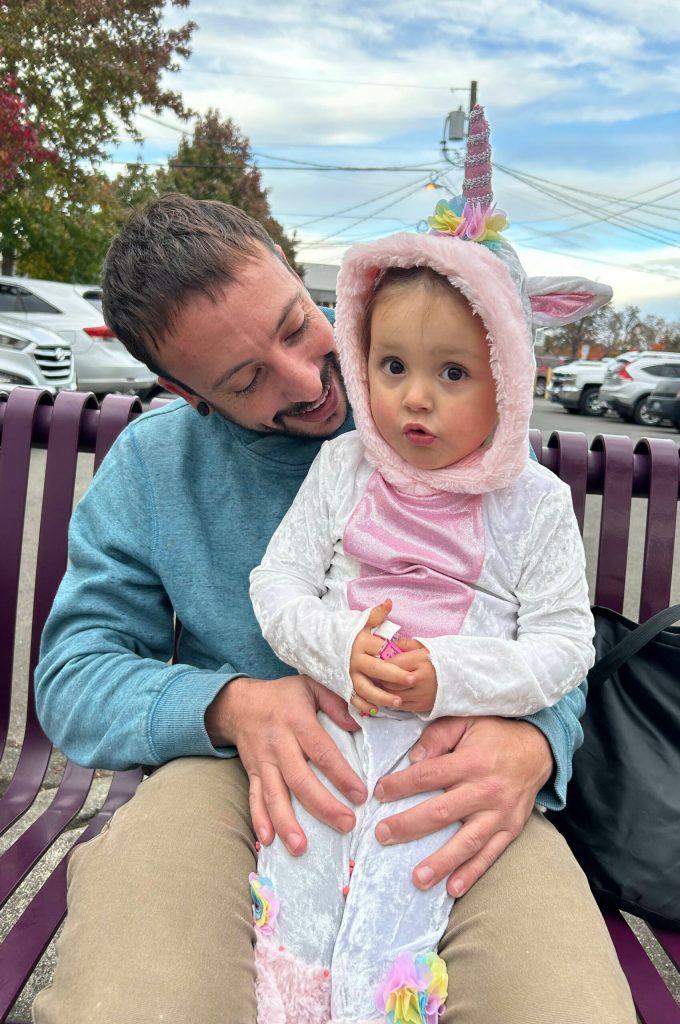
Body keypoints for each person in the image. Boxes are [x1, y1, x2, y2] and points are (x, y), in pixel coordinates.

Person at [32, 125, 635, 1024]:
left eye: (294, 325)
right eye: (245, 379)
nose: (309, 379)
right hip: (235, 769)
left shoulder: (456, 417)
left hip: (447, 766)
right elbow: (72, 676)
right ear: (188, 397)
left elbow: (552, 633)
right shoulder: (159, 468)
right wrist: (230, 703)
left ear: (296, 271)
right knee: (142, 997)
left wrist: (538, 741)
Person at [246, 108, 597, 1024]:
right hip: (332, 728)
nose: (412, 397)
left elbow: (564, 644)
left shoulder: (532, 504)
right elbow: (277, 586)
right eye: (393, 363)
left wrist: (447, 673)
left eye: (453, 373)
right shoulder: (346, 467)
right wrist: (338, 643)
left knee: (408, 906)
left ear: (509, 380)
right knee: (296, 894)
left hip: (454, 756)